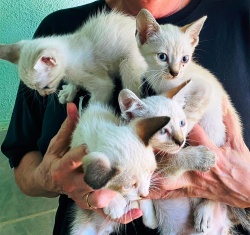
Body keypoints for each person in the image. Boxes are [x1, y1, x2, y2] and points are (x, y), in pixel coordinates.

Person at [1, 0, 250, 234]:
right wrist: (48, 178)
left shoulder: (241, 13)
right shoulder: (51, 40)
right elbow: (21, 158)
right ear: (142, 36)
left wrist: (244, 187)